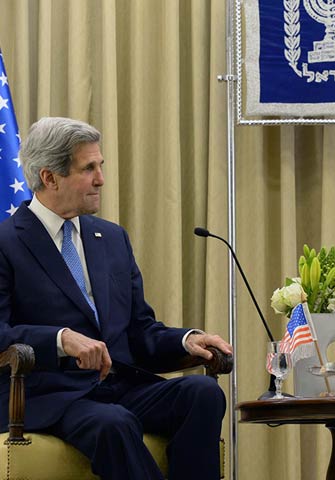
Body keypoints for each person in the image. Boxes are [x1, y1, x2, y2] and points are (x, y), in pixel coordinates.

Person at [0, 117, 233, 479]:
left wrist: (188, 339)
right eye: (88, 168)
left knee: (202, 392)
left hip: (119, 386)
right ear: (50, 177)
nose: (101, 179)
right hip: (50, 396)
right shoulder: (7, 242)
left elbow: (139, 329)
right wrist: (60, 340)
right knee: (115, 423)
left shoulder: (110, 238)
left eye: (100, 166)